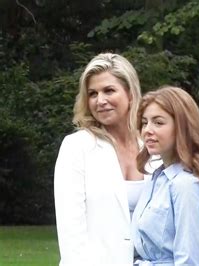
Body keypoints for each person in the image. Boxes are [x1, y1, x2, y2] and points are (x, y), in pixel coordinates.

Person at [54, 53, 147, 265]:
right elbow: (71, 231)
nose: (100, 100)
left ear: (130, 94)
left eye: (109, 90)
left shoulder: (153, 146)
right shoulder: (77, 147)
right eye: (93, 94)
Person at [131, 86, 199, 265]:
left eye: (158, 123)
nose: (147, 130)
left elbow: (189, 259)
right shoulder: (157, 178)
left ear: (182, 127)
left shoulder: (185, 185)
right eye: (145, 122)